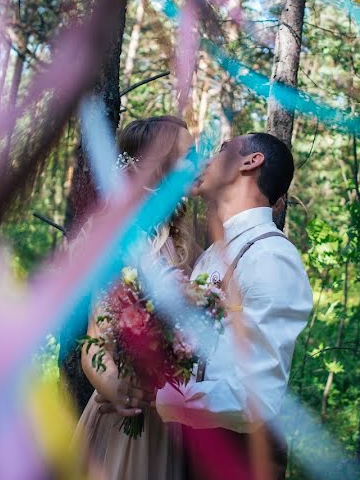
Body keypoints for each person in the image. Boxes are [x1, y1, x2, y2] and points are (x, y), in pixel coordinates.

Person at [155, 132, 314, 480]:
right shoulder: (212, 256)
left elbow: (256, 398)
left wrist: (162, 396)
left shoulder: (271, 256)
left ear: (250, 162)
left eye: (223, 149)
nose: (208, 159)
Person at [72, 115, 198, 480]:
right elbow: (95, 339)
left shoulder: (181, 236)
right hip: (128, 418)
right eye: (187, 155)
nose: (196, 164)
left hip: (170, 420)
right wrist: (116, 387)